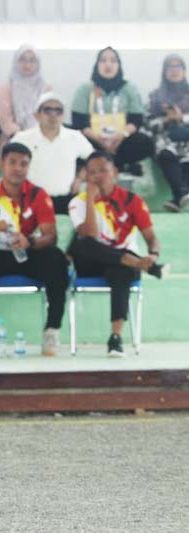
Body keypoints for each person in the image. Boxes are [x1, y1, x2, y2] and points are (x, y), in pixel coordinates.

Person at [0, 143, 69, 358]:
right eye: (12, 162)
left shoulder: (38, 194)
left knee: (56, 258)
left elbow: (51, 237)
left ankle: (52, 330)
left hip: (26, 254)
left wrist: (29, 241)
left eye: (24, 164)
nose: (18, 168)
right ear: (1, 163)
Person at [68, 152, 168, 357]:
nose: (97, 176)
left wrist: (154, 255)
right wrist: (90, 200)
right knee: (84, 245)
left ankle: (115, 337)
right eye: (92, 172)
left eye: (103, 171)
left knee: (120, 271)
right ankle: (143, 266)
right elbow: (90, 234)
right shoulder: (77, 202)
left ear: (114, 172)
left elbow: (151, 238)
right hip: (91, 262)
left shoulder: (132, 200)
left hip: (122, 265)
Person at [71, 47, 154, 174]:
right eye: (103, 60)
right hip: (94, 140)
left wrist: (121, 136)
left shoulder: (129, 88)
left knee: (145, 143)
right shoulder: (85, 89)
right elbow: (78, 123)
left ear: (119, 65)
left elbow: (136, 120)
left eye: (113, 61)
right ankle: (119, 166)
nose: (108, 65)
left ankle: (103, 164)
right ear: (97, 65)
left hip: (121, 140)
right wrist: (99, 140)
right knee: (72, 139)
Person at [11, 92, 94, 213]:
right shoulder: (23, 138)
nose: (53, 115)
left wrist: (80, 178)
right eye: (47, 110)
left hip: (66, 200)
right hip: (31, 200)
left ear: (63, 115)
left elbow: (95, 161)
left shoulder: (75, 137)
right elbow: (1, 160)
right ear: (37, 115)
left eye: (58, 111)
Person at [146, 54, 189, 212]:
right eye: (170, 67)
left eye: (178, 66)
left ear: (184, 70)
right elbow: (148, 123)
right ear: (164, 71)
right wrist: (166, 119)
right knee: (165, 152)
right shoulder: (155, 96)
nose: (174, 70)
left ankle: (179, 197)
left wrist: (182, 118)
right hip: (165, 136)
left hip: (187, 136)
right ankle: (181, 194)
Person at [0, 45, 51, 152]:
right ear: (16, 62)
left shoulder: (45, 89)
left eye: (32, 60)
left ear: (38, 64)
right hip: (13, 139)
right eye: (23, 60)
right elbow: (5, 120)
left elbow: (49, 117)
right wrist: (24, 138)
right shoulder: (5, 89)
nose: (27, 65)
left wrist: (38, 136)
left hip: (42, 138)